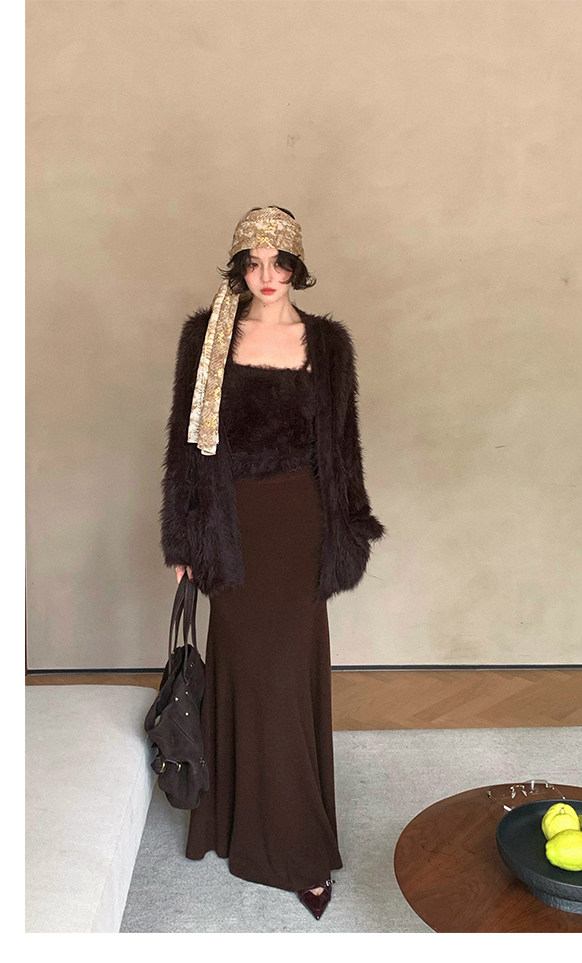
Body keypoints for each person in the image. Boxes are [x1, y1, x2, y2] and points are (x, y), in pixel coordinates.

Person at [159, 205, 386, 921]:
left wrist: (349, 525)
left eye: (278, 262)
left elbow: (343, 444)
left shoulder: (328, 343)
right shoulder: (206, 336)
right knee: (244, 673)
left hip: (301, 527)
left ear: (296, 267)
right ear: (238, 267)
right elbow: (184, 442)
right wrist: (183, 537)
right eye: (252, 262)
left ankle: (295, 845)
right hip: (230, 526)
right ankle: (231, 825)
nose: (266, 275)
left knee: (287, 680)